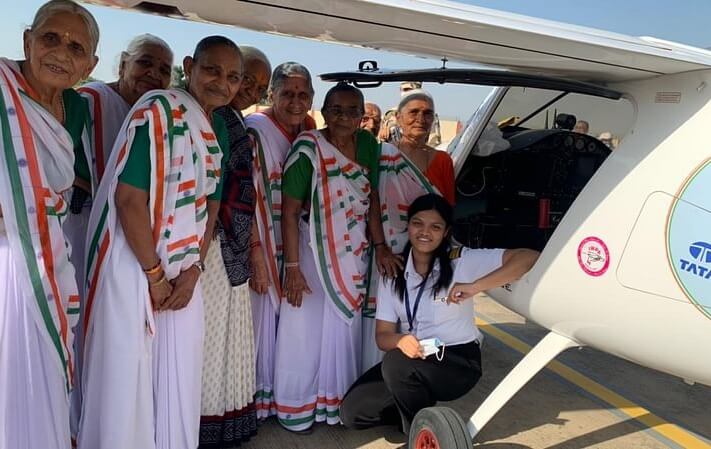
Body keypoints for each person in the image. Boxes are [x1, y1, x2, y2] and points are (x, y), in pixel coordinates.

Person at [78, 36, 243, 449]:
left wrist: (194, 271)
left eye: (233, 77)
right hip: (135, 264)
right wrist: (155, 276)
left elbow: (212, 200)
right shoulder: (158, 112)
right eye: (212, 70)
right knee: (128, 374)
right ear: (190, 66)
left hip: (184, 269)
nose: (222, 83)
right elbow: (129, 200)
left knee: (179, 372)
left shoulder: (218, 124)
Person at [341, 193, 539, 434]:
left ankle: (421, 435)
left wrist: (476, 286)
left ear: (446, 233)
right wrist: (401, 340)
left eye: (435, 227)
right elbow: (382, 336)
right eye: (418, 223)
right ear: (408, 226)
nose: (425, 232)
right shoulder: (393, 272)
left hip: (456, 360)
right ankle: (420, 411)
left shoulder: (462, 261)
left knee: (396, 364)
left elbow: (528, 258)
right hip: (414, 356)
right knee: (353, 413)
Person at [275, 83, 402, 432]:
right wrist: (293, 268)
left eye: (352, 111)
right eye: (336, 109)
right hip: (312, 253)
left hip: (354, 254)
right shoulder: (309, 148)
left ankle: (334, 407)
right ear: (323, 112)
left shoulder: (368, 146)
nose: (344, 117)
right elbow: (289, 212)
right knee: (304, 330)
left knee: (343, 330)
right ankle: (298, 407)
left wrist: (380, 247)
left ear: (363, 116)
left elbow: (372, 199)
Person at [0, 1, 99, 448]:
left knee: (43, 364)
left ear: (90, 64)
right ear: (27, 40)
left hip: (48, 252)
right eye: (50, 38)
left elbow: (62, 176)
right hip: (7, 256)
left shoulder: (74, 105)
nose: (62, 52)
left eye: (76, 47)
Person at [68, 33, 173, 436]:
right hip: (81, 230)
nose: (154, 74)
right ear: (123, 63)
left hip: (126, 238)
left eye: (164, 69)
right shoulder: (91, 100)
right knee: (80, 322)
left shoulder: (151, 113)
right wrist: (101, 188)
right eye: (145, 63)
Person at [198, 46, 271, 449]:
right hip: (210, 246)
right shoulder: (211, 117)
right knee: (207, 339)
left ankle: (219, 423)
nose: (248, 89)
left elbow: (245, 191)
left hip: (233, 245)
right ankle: (200, 422)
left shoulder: (233, 120)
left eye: (258, 85)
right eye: (246, 78)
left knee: (224, 337)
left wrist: (253, 246)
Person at [361, 89, 455, 372]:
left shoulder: (442, 161)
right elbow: (370, 200)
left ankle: (413, 375)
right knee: (383, 312)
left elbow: (446, 210)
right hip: (385, 250)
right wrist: (381, 247)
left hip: (424, 253)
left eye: (428, 113)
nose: (420, 119)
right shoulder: (383, 155)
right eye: (413, 112)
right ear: (398, 118)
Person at [246, 61, 317, 420]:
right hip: (260, 242)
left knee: (289, 323)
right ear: (271, 94)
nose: (295, 101)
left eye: (303, 94)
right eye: (287, 93)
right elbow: (245, 197)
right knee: (259, 323)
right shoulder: (255, 129)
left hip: (293, 243)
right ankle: (254, 403)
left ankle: (281, 396)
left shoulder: (309, 129)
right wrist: (255, 254)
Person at [379, 81, 442, 147]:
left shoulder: (429, 115)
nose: (405, 93)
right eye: (403, 89)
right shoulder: (391, 114)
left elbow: (434, 143)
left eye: (408, 89)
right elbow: (382, 140)